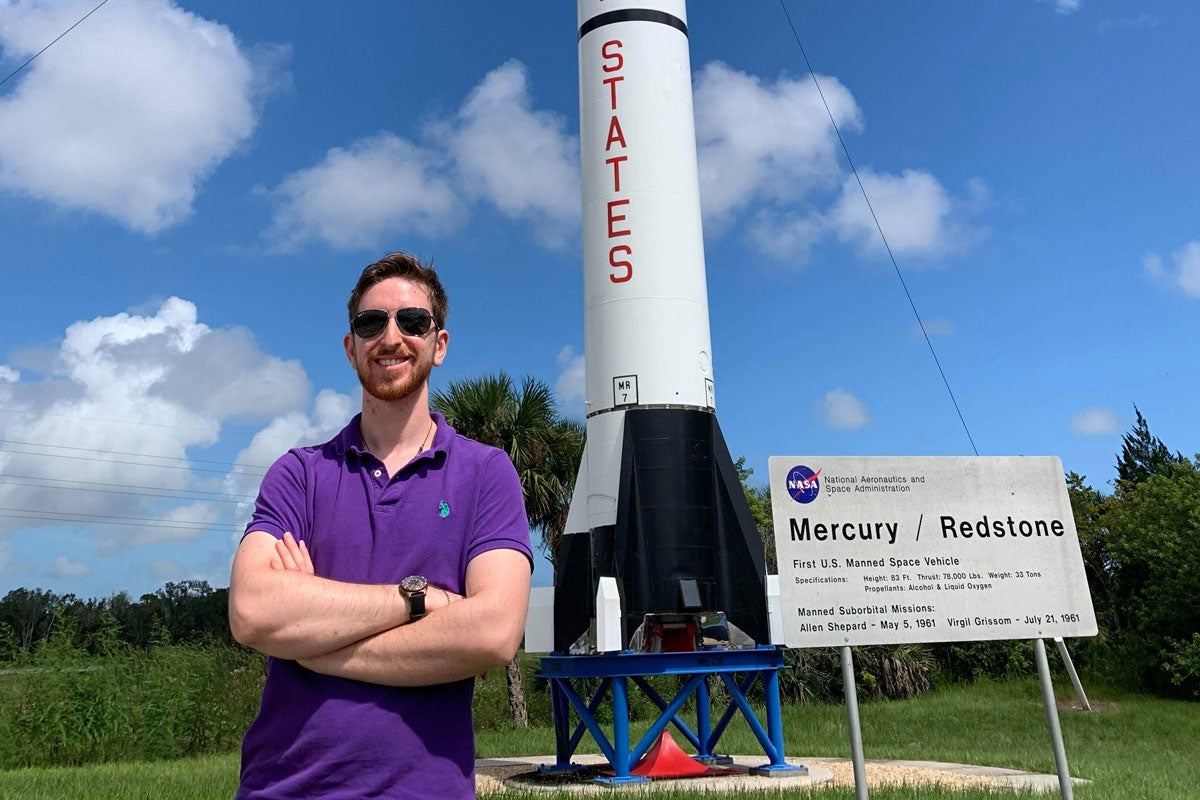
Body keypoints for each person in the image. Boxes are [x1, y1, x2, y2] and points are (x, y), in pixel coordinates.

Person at [229, 252, 533, 800]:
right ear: (351, 347)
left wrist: (310, 642)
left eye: (412, 321)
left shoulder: (486, 474)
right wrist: (422, 602)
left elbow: (492, 632)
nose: (391, 337)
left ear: (438, 344)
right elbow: (253, 610)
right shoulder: (299, 474)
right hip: (283, 787)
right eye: (372, 323)